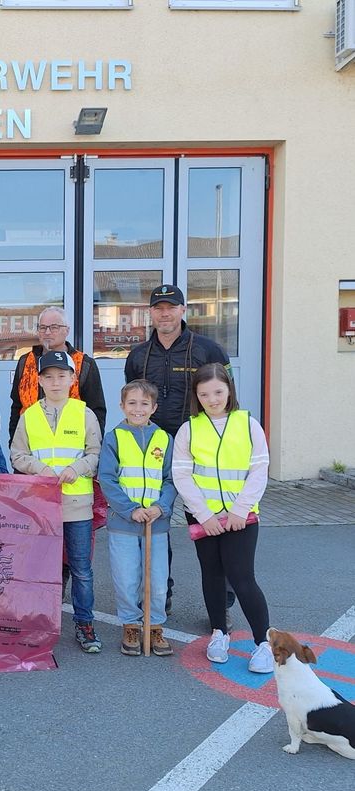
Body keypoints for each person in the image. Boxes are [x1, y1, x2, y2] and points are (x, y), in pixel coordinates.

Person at [124, 284, 233, 617]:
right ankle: (160, 595)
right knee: (156, 524)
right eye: (158, 308)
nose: (165, 313)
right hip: (153, 452)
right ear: (151, 313)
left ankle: (221, 602)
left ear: (183, 310)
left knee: (209, 524)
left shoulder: (208, 349)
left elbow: (226, 398)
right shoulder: (138, 355)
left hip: (199, 451)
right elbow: (134, 404)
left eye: (171, 307)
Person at [172, 363, 273, 673]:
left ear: (229, 390)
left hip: (240, 518)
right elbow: (182, 474)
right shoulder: (189, 428)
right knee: (212, 575)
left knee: (242, 578)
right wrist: (205, 515)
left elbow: (259, 469)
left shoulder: (248, 424)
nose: (212, 399)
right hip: (205, 518)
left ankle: (264, 644)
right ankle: (219, 633)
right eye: (204, 394)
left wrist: (240, 510)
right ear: (196, 396)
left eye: (218, 391)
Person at [10, 351, 102, 653]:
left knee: (81, 568)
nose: (55, 381)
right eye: (48, 376)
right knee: (40, 567)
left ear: (73, 379)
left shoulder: (84, 413)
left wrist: (77, 469)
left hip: (77, 504)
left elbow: (95, 453)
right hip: (42, 506)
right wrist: (40, 469)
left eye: (62, 375)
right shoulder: (29, 416)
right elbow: (17, 455)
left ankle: (85, 623)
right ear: (39, 380)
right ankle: (39, 621)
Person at [98, 380, 176, 657]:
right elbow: (106, 478)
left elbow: (170, 479)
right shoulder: (113, 438)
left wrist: (161, 507)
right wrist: (129, 509)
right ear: (122, 406)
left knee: (156, 580)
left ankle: (154, 625)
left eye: (144, 403)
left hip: (156, 524)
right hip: (124, 523)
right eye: (132, 403)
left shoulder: (164, 438)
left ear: (154, 407)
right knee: (127, 578)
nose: (138, 408)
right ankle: (131, 623)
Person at [9, 306, 106, 439]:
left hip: (72, 445)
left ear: (67, 330)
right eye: (42, 327)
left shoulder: (84, 364)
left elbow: (97, 411)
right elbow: (16, 406)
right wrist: (14, 443)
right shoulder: (25, 362)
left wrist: (93, 447)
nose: (47, 332)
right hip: (31, 443)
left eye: (54, 327)